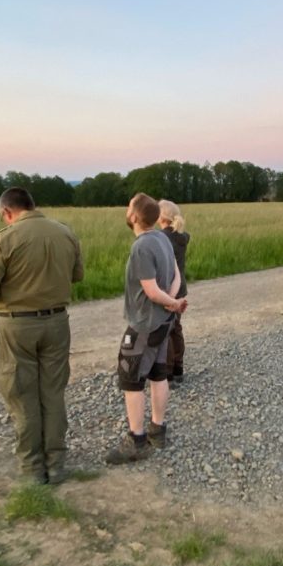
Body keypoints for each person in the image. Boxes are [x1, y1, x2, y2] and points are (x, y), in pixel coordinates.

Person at [0, 187, 84, 485]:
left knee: (22, 396)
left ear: (6, 212)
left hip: (16, 326)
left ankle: (32, 469)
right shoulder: (65, 233)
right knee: (53, 394)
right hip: (58, 323)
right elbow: (77, 276)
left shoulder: (3, 239)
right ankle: (57, 464)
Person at [105, 193, 187, 464]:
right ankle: (158, 430)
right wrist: (173, 304)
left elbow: (151, 291)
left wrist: (171, 303)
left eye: (129, 207)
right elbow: (176, 274)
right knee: (158, 374)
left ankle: (136, 440)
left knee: (131, 382)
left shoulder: (141, 247)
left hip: (143, 326)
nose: (126, 211)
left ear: (134, 217)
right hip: (163, 322)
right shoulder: (163, 237)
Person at [158, 199, 190, 389]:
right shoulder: (182, 236)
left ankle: (167, 373)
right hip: (181, 288)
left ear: (161, 216)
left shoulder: (160, 237)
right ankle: (178, 368)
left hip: (167, 289)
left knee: (166, 330)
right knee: (176, 328)